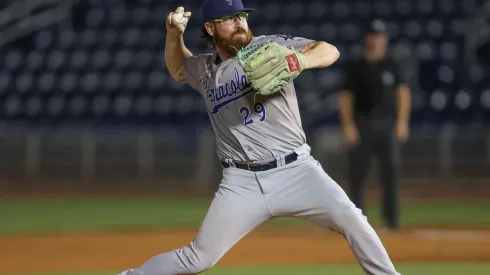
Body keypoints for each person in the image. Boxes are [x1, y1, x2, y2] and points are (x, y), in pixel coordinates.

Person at [117, 1, 400, 274]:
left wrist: (299, 59)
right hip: (241, 183)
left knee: (354, 222)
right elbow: (179, 67)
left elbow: (329, 51)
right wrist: (174, 34)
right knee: (197, 259)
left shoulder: (269, 47)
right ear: (210, 28)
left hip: (297, 171)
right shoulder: (204, 70)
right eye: (229, 18)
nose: (239, 22)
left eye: (242, 15)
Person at [338, 19, 412, 231]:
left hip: (387, 123)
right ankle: (357, 220)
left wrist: (402, 121)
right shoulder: (355, 66)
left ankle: (392, 220)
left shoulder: (392, 65)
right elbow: (345, 98)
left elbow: (403, 93)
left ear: (384, 38)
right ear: (366, 37)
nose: (375, 39)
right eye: (372, 35)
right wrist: (348, 125)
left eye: (379, 35)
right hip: (363, 123)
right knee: (357, 174)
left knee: (390, 172)